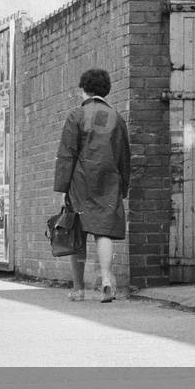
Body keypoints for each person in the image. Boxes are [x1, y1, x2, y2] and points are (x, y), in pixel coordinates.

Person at [53, 68, 131, 303]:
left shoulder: (76, 116)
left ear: (83, 89)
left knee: (77, 231)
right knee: (103, 231)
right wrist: (123, 188)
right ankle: (107, 278)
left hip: (80, 181)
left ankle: (78, 289)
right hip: (108, 181)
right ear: (106, 90)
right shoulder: (117, 118)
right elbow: (124, 156)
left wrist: (62, 188)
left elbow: (67, 155)